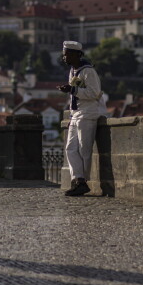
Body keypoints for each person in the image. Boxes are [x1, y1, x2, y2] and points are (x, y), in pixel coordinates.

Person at [57, 40, 105, 197]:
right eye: (64, 55)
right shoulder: (73, 70)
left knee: (84, 149)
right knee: (70, 148)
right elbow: (76, 91)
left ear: (76, 54)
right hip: (76, 114)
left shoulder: (88, 71)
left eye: (66, 55)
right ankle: (78, 179)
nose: (64, 58)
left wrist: (73, 90)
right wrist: (71, 90)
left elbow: (95, 93)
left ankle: (81, 180)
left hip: (88, 113)